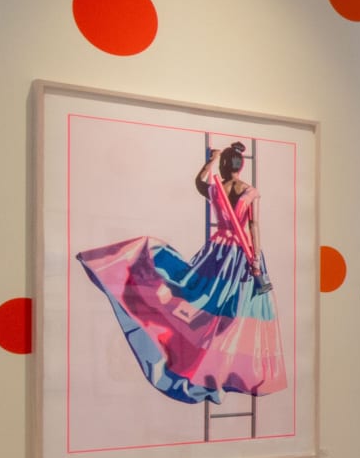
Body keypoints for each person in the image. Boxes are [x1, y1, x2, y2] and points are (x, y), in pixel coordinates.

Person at [75, 141, 287, 404]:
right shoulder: (249, 192)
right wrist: (254, 259)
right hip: (241, 252)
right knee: (237, 312)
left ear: (223, 166)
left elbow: (199, 181)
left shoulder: (216, 189)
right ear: (241, 165)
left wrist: (211, 160)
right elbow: (253, 226)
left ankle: (206, 364)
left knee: (205, 303)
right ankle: (226, 369)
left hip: (218, 250)